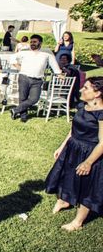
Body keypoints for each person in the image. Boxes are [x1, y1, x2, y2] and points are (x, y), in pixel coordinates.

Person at [45, 77, 103, 231]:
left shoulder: (101, 114)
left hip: (90, 153)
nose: (81, 90)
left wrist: (88, 162)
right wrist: (62, 146)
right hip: (73, 147)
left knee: (87, 187)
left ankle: (78, 222)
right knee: (65, 176)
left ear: (97, 94)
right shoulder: (82, 106)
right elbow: (73, 129)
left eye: (86, 88)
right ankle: (65, 200)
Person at [11, 34, 62, 123]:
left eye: (35, 42)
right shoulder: (25, 51)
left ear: (40, 43)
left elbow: (53, 63)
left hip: (37, 80)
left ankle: (15, 110)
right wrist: (18, 66)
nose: (32, 43)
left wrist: (59, 73)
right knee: (23, 98)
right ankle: (23, 116)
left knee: (34, 99)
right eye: (31, 42)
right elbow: (12, 57)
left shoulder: (46, 53)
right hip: (24, 77)